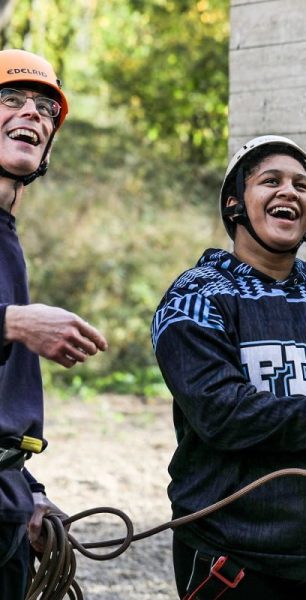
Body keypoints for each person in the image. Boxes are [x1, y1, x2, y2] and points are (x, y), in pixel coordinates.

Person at [151, 135, 306, 600]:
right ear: (234, 205)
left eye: (302, 186)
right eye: (271, 181)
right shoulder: (195, 296)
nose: (290, 192)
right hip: (231, 562)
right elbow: (219, 409)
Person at [0, 49, 108, 598]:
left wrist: (26, 488)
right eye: (11, 100)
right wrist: (12, 323)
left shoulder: (7, 237)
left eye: (46, 108)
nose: (33, 113)